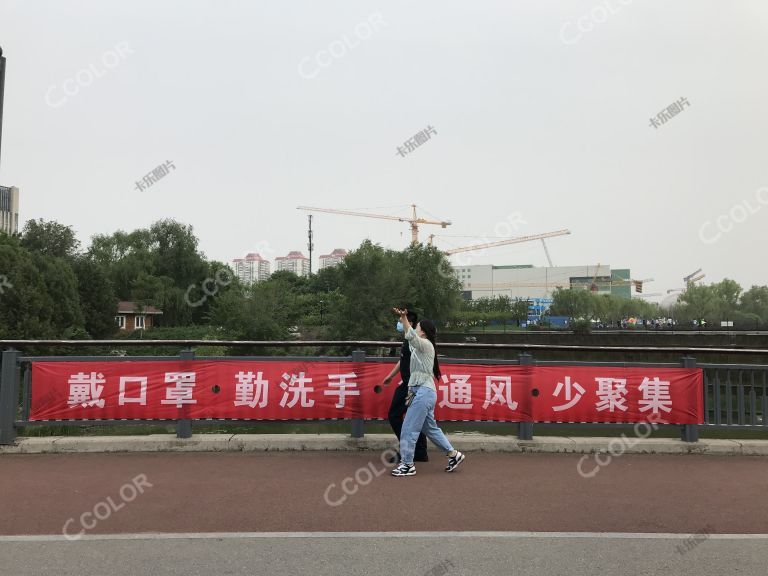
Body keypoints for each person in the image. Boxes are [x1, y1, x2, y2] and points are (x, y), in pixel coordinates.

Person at [390, 307, 465, 477]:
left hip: (423, 393)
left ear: (422, 332)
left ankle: (408, 464)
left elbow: (411, 337)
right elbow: (409, 340)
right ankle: (453, 455)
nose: (414, 329)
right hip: (421, 392)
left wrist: (403, 319)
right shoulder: (419, 347)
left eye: (417, 328)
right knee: (431, 429)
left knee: (408, 428)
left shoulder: (425, 344)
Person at [381, 308, 429, 463]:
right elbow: (403, 360)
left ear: (410, 322)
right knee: (416, 418)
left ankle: (410, 449)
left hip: (412, 386)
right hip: (409, 385)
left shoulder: (414, 340)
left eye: (401, 319)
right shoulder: (409, 340)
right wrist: (391, 375)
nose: (399, 322)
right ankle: (419, 451)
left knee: (395, 415)